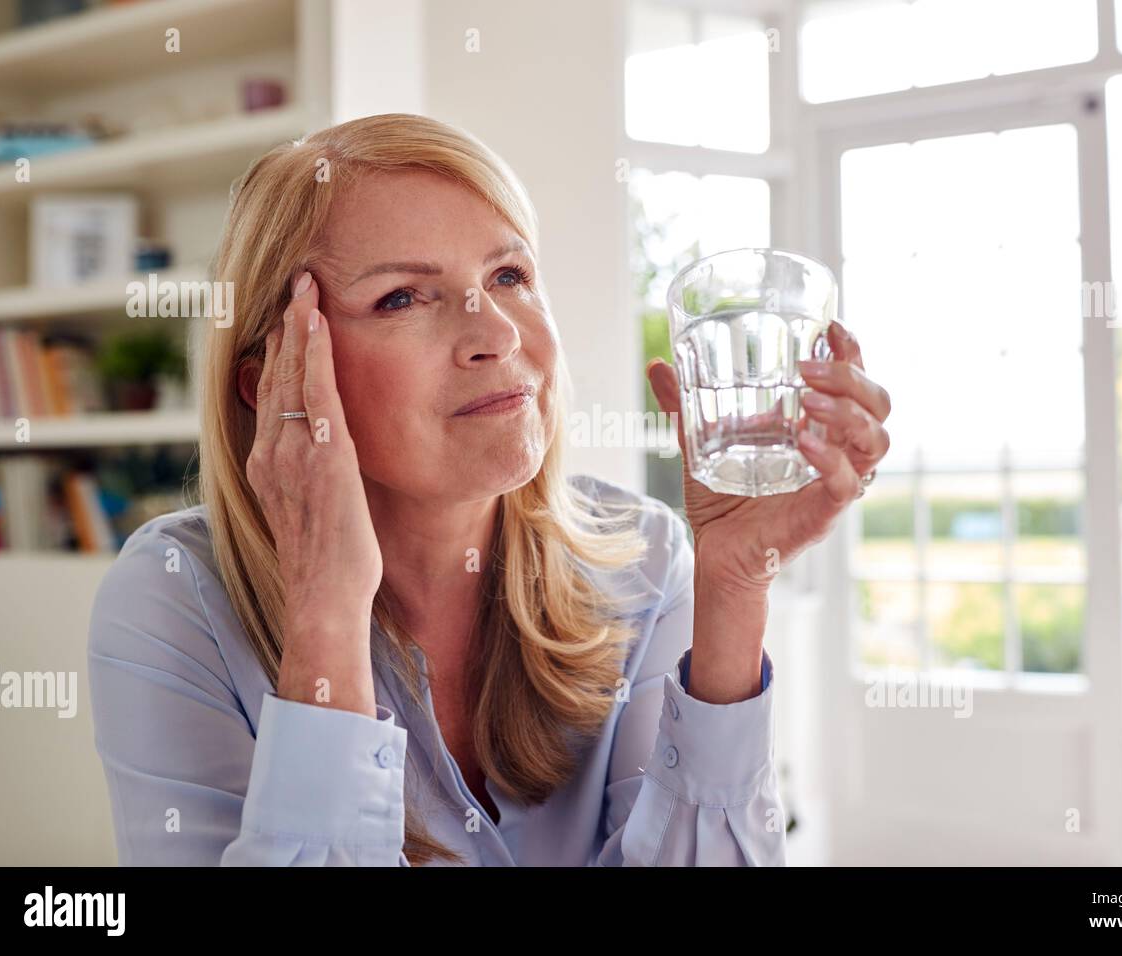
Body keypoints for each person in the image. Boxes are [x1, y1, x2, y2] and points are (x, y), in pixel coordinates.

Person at [87, 113, 891, 866]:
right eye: (402, 296)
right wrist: (326, 610)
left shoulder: (644, 558)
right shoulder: (173, 599)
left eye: (509, 275)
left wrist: (734, 586)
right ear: (275, 385)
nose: (497, 333)